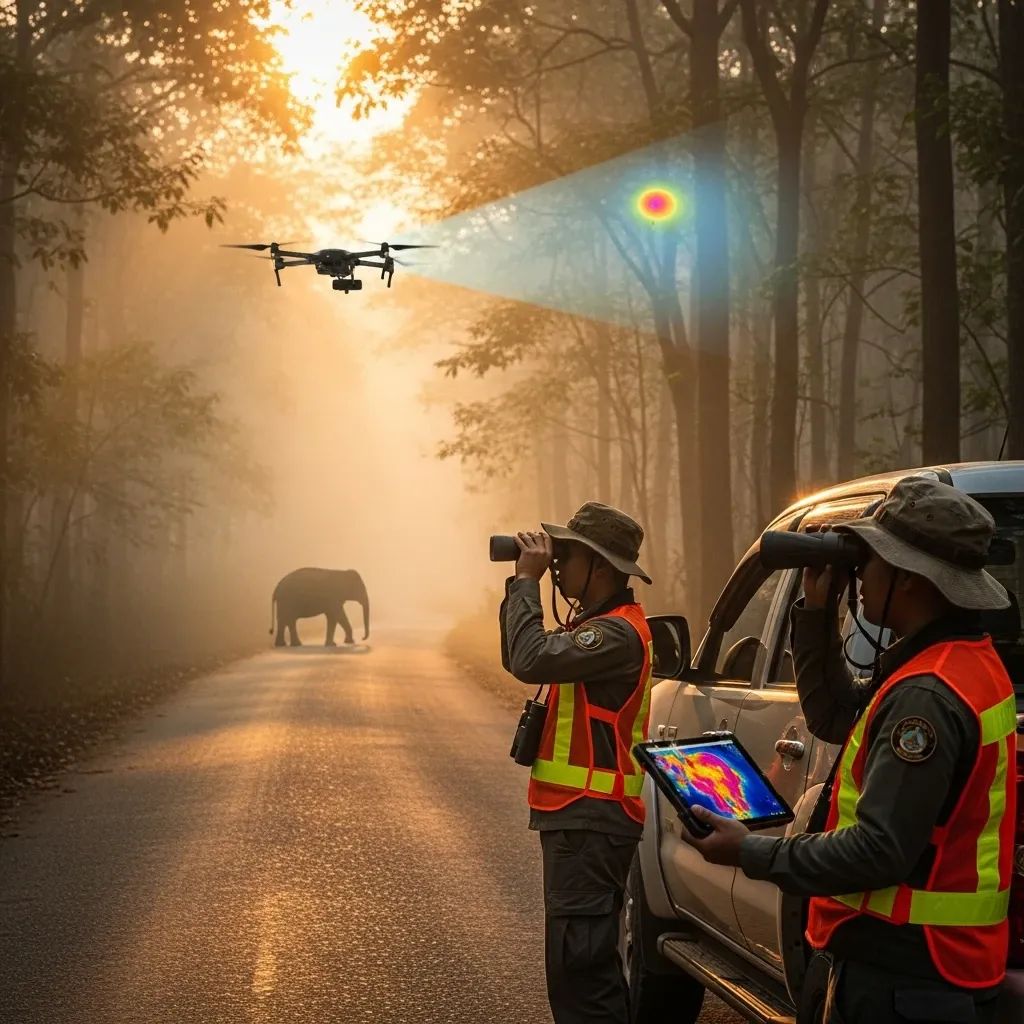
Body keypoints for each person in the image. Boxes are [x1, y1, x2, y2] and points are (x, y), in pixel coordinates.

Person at [679, 477, 1017, 1023]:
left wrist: (750, 851)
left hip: (906, 979)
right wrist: (817, 609)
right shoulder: (955, 661)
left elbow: (879, 850)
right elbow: (837, 715)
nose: (859, 573)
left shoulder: (926, 696)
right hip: (923, 969)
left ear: (907, 579)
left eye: (869, 559)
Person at [499, 501, 654, 1024]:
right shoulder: (598, 625)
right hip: (581, 819)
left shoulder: (614, 633)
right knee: (577, 971)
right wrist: (519, 588)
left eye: (568, 556)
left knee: (583, 978)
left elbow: (529, 659)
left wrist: (526, 584)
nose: (557, 566)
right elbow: (522, 653)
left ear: (602, 567)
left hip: (592, 820)